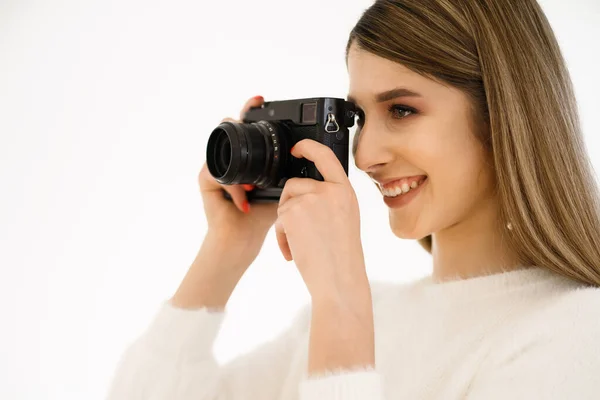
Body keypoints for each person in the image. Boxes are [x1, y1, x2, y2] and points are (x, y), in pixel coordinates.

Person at [106, 0, 600, 399]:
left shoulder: (577, 335)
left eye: (402, 110)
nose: (363, 156)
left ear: (502, 117)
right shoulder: (353, 318)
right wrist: (226, 249)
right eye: (359, 117)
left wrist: (342, 304)